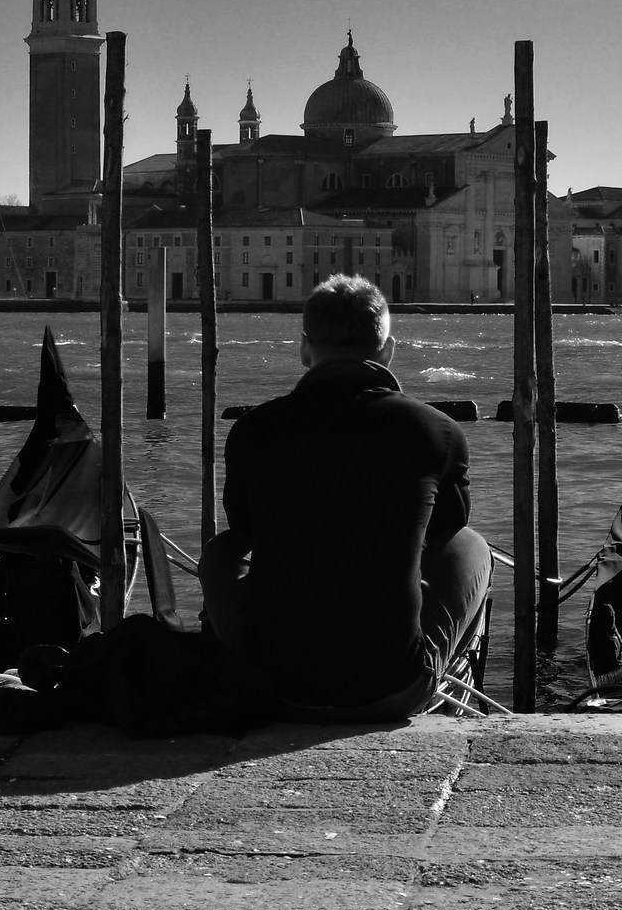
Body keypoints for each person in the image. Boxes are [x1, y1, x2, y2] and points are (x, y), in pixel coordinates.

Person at [201, 275, 489, 719]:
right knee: (472, 545)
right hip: (391, 687)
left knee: (222, 549)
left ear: (304, 348)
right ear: (387, 349)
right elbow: (448, 526)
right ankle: (443, 677)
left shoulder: (254, 429)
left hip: (276, 683)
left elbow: (244, 527)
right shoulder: (438, 430)